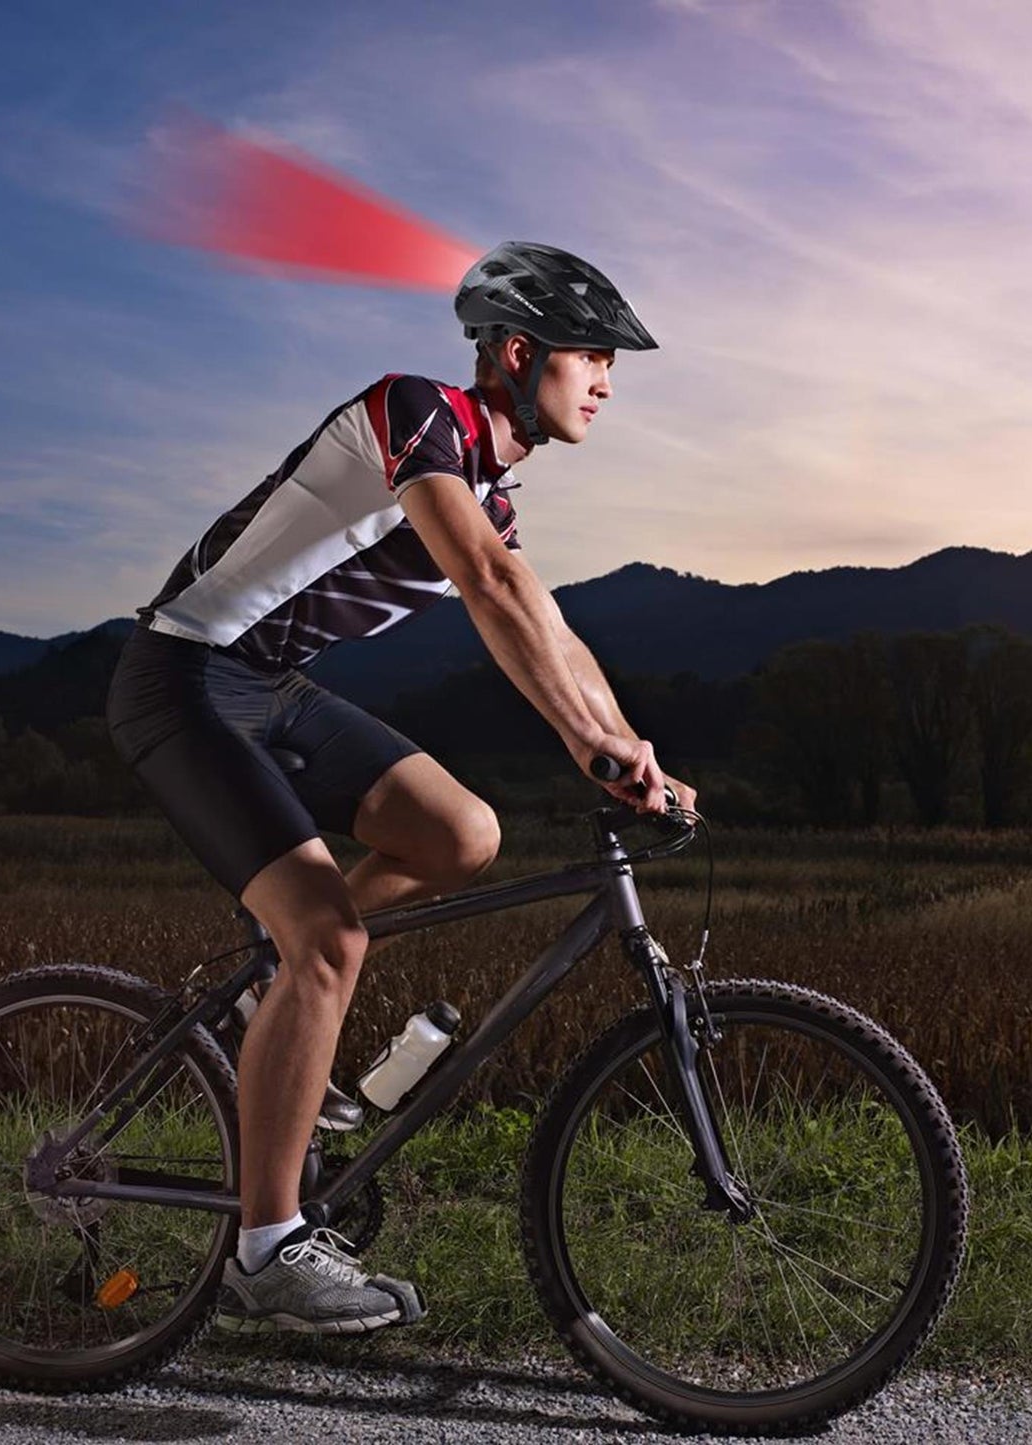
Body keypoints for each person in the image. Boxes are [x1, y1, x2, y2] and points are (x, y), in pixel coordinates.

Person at [105, 240, 696, 1335]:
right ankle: (266, 1249)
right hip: (182, 676)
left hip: (269, 686)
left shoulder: (492, 493)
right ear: (519, 353)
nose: (607, 382)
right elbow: (487, 582)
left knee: (462, 833)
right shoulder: (414, 412)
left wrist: (631, 747)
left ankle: (264, 988)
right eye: (593, 357)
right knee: (330, 939)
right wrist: (586, 746)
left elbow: (550, 629)